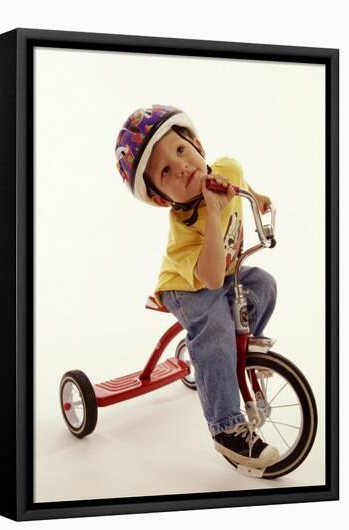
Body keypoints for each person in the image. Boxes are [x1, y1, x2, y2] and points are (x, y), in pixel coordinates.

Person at [115, 104, 279, 470]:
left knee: (263, 283)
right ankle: (226, 428)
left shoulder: (227, 169)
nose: (182, 167)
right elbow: (210, 280)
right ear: (162, 196)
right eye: (166, 172)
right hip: (187, 284)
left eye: (180, 150)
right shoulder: (187, 222)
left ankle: (240, 347)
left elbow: (241, 182)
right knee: (215, 325)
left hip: (221, 272)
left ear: (197, 145)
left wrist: (257, 195)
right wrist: (216, 211)